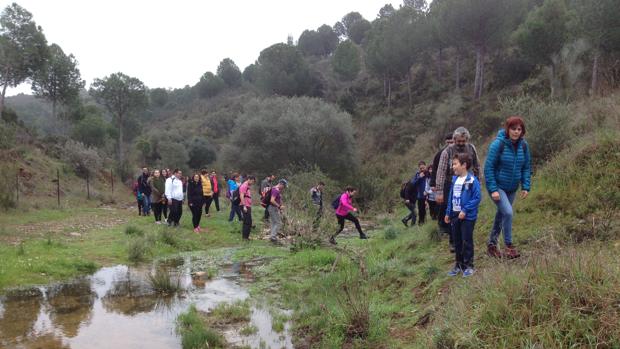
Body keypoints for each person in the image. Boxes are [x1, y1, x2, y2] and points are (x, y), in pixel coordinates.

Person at [484, 116, 531, 259]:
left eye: (519, 129)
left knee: (502, 214)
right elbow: (488, 168)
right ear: (507, 129)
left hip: (512, 188)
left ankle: (492, 245)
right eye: (513, 129)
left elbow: (526, 167)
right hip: (498, 186)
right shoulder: (498, 144)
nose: (516, 132)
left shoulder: (523, 145)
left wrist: (525, 186)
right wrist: (493, 189)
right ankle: (509, 246)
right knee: (508, 213)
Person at [435, 127, 481, 252]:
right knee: (453, 213)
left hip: (468, 184)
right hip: (451, 184)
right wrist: (439, 191)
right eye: (458, 141)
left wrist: (478, 183)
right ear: (454, 139)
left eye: (463, 141)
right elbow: (441, 171)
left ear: (467, 140)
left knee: (466, 211)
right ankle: (453, 242)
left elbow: (477, 166)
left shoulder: (471, 148)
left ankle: (466, 239)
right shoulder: (447, 152)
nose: (461, 143)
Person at [445, 153, 482, 278]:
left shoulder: (472, 180)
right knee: (457, 241)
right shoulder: (454, 180)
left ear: (464, 165)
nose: (453, 167)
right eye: (452, 164)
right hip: (455, 215)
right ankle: (459, 265)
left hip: (467, 217)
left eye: (455, 164)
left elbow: (477, 198)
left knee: (466, 240)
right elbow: (451, 197)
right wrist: (448, 212)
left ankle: (469, 266)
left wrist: (465, 210)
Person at [430, 134, 454, 234]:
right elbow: (435, 170)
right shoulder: (440, 154)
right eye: (447, 142)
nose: (449, 144)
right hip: (443, 182)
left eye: (451, 142)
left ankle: (451, 225)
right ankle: (442, 225)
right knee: (443, 204)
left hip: (456, 181)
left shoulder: (459, 152)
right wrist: (433, 184)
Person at [239, 175, 256, 241]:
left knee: (248, 221)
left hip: (247, 205)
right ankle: (245, 237)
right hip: (245, 206)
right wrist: (244, 206)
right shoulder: (244, 186)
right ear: (249, 179)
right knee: (247, 222)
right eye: (252, 181)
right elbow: (241, 196)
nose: (252, 183)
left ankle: (246, 237)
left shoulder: (247, 186)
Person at [412, 161, 428, 225]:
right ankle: (421, 222)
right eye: (420, 168)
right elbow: (413, 183)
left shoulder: (429, 172)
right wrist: (419, 177)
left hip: (428, 195)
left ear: (425, 166)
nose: (422, 169)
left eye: (423, 168)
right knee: (421, 210)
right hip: (420, 196)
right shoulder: (417, 174)